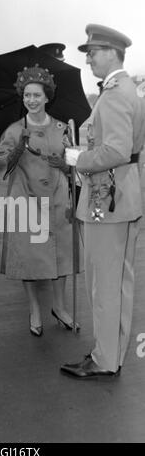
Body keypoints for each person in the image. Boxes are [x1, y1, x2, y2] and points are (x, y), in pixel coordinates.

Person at [61, 24, 145, 378]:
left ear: (112, 52)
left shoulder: (114, 94)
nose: (88, 58)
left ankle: (104, 359)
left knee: (105, 286)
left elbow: (114, 150)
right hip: (122, 197)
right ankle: (113, 354)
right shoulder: (128, 90)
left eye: (92, 51)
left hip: (106, 202)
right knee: (119, 284)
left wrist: (76, 158)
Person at [0, 64, 80, 337]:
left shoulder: (62, 128)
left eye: (37, 95)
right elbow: (0, 164)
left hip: (57, 200)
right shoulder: (13, 130)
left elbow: (77, 166)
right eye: (27, 95)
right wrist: (18, 147)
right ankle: (34, 309)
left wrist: (66, 166)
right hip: (25, 200)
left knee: (61, 254)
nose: (31, 100)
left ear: (47, 97)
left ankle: (60, 307)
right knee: (29, 258)